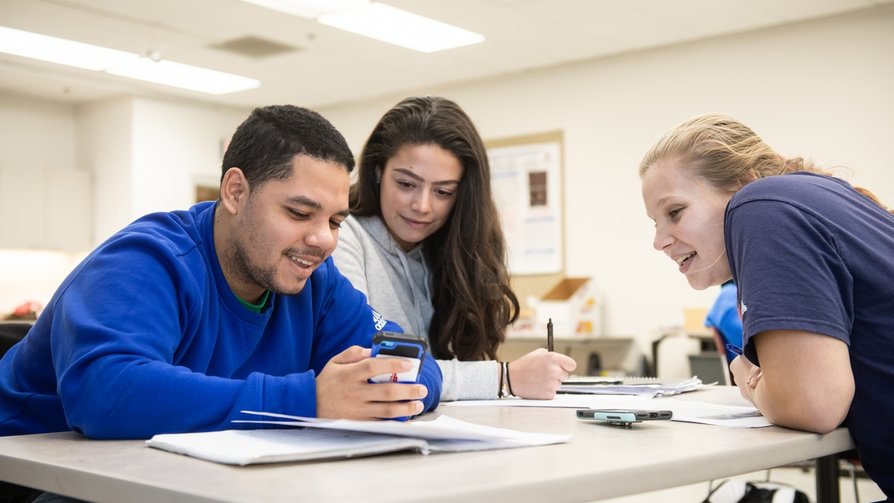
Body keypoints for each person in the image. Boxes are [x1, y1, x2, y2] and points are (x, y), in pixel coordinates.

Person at [0, 105, 441, 441]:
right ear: (235, 191)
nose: (324, 240)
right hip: (38, 472)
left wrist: (384, 388)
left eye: (335, 221)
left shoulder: (314, 281)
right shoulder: (145, 261)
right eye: (300, 212)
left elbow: (414, 362)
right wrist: (310, 400)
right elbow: (105, 393)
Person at [639, 113, 894, 499]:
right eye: (654, 223)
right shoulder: (822, 195)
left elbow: (813, 403)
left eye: (675, 212)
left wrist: (751, 385)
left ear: (742, 184)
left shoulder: (758, 205)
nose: (659, 241)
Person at [331, 96, 576, 401]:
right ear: (378, 171)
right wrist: (505, 378)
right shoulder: (341, 236)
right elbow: (374, 369)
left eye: (443, 191)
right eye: (407, 184)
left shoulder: (446, 250)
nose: (422, 206)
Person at [704, 280, 742, 364]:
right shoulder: (733, 291)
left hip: (734, 355)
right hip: (745, 346)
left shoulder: (724, 294)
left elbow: (709, 323)